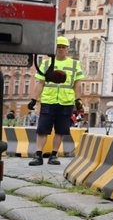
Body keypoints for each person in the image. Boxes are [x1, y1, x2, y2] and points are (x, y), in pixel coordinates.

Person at [28, 36, 84, 166]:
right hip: (48, 100)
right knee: (42, 129)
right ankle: (38, 156)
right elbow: (40, 83)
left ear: (67, 49)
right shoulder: (46, 63)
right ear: (54, 48)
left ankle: (53, 155)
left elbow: (77, 83)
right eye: (58, 47)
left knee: (60, 130)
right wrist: (33, 99)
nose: (60, 49)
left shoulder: (75, 64)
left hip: (66, 102)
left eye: (63, 47)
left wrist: (78, 100)